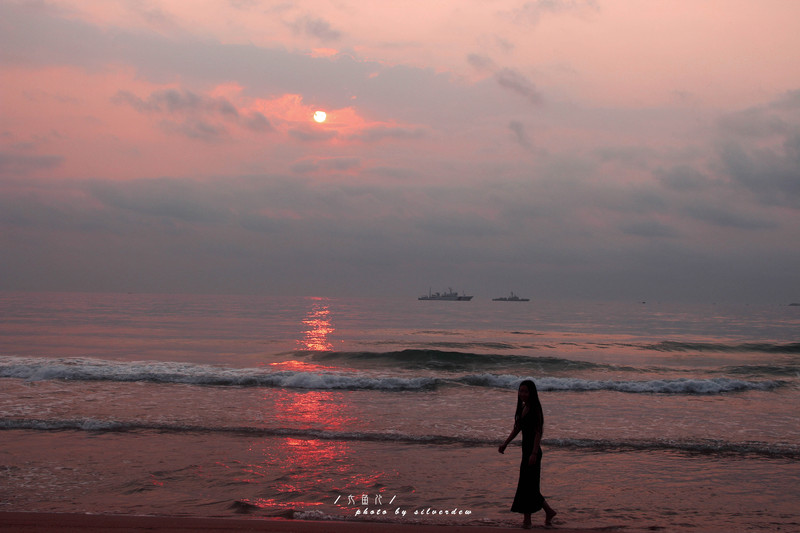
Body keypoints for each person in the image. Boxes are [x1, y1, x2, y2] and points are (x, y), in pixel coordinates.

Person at [498, 379, 557, 528]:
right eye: (521, 391)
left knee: (527, 486)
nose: (522, 393)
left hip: (533, 452)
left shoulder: (535, 409)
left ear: (531, 393)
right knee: (527, 486)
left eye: (525, 391)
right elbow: (517, 429)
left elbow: (538, 432)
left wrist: (534, 453)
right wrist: (505, 443)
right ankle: (547, 512)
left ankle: (528, 520)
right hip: (526, 452)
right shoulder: (523, 408)